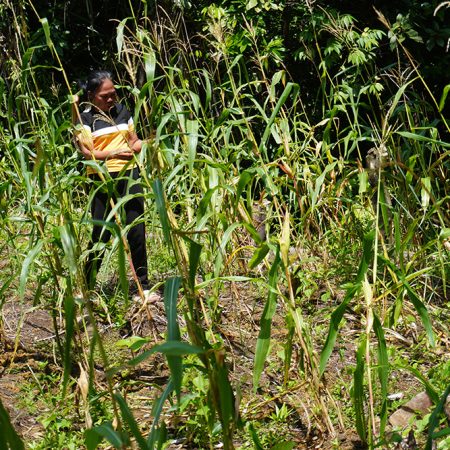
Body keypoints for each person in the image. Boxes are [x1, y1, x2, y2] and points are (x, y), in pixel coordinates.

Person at [73, 70, 154, 301]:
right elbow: (88, 154)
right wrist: (115, 152)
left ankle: (143, 288)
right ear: (91, 95)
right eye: (105, 96)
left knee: (136, 229)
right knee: (101, 234)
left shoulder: (123, 112)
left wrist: (146, 143)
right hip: (101, 179)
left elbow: (134, 141)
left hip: (129, 174)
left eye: (113, 94)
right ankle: (87, 288)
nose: (111, 99)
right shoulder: (85, 119)